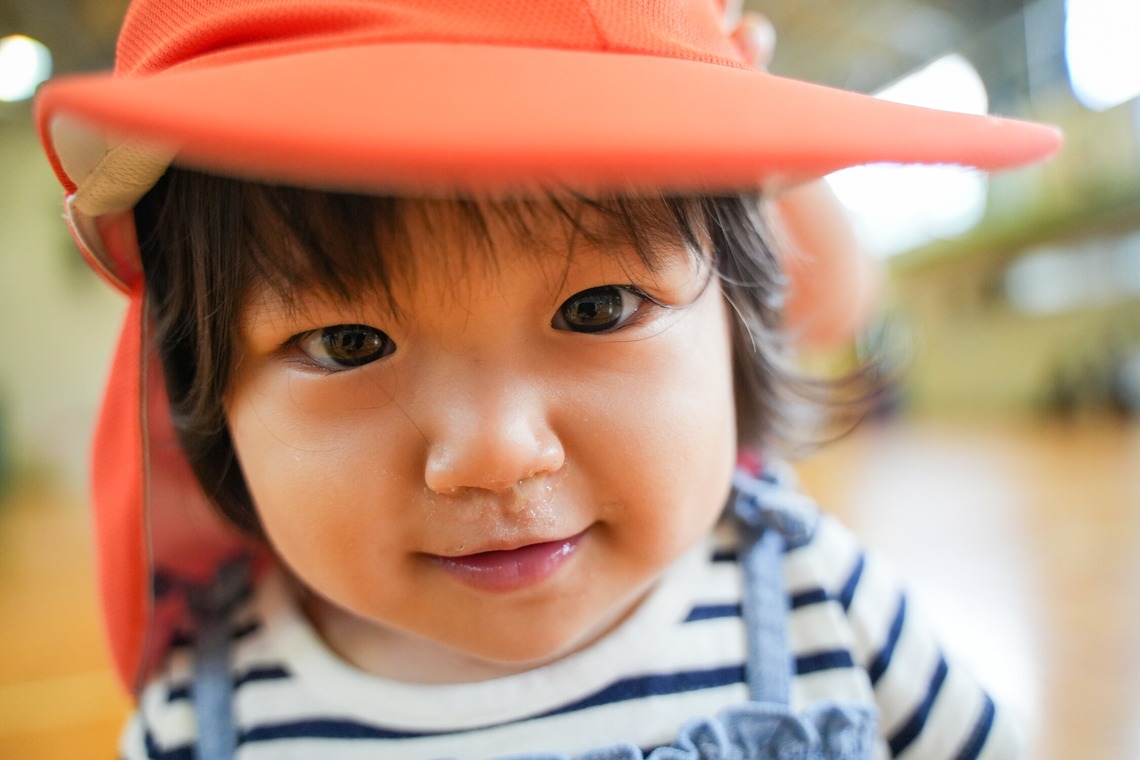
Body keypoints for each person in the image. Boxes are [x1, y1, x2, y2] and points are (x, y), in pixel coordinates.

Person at [35, 0, 1061, 757]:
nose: (494, 452)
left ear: (740, 320)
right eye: (347, 342)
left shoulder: (818, 602)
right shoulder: (205, 718)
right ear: (203, 397)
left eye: (599, 308)